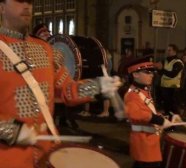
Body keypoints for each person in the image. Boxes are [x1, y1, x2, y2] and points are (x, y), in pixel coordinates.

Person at [0, 0, 121, 167]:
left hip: (47, 151)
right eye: (20, 1)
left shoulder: (46, 50)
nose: (27, 6)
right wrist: (11, 131)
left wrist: (98, 86)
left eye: (29, 1)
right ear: (1, 7)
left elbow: (68, 90)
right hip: (8, 157)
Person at [124, 56, 179, 168]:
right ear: (135, 74)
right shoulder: (132, 94)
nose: (152, 75)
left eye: (152, 72)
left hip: (149, 142)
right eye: (147, 72)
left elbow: (149, 111)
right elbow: (134, 113)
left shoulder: (143, 90)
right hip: (143, 143)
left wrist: (168, 119)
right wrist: (158, 120)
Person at [154, 44, 184, 117]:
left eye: (169, 50)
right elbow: (161, 73)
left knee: (173, 108)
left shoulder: (178, 62)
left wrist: (162, 69)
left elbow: (172, 74)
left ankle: (174, 125)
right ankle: (169, 124)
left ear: (175, 51)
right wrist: (158, 69)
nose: (167, 52)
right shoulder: (165, 61)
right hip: (164, 87)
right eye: (167, 50)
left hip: (173, 89)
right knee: (166, 108)